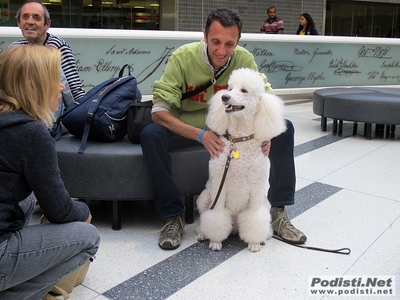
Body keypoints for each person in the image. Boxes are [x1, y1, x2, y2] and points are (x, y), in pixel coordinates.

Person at [141, 8, 307, 250]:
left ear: (237, 41)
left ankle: (278, 211)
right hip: (189, 128)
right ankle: (172, 216)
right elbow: (158, 112)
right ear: (205, 36)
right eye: (215, 41)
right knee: (151, 134)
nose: (221, 50)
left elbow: (266, 98)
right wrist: (200, 134)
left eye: (229, 44)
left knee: (286, 129)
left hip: (231, 131)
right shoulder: (182, 57)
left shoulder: (244, 59)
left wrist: (268, 133)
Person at [0, 45, 100, 299]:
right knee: (88, 236)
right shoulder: (30, 133)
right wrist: (86, 213)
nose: (61, 86)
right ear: (35, 85)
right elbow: (61, 211)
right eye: (55, 79)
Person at [11, 1, 85, 135]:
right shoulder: (15, 49)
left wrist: (81, 118)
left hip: (48, 118)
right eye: (25, 17)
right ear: (19, 23)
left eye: (37, 18)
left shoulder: (57, 47)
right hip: (20, 116)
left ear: (47, 25)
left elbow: (73, 91)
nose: (30, 22)